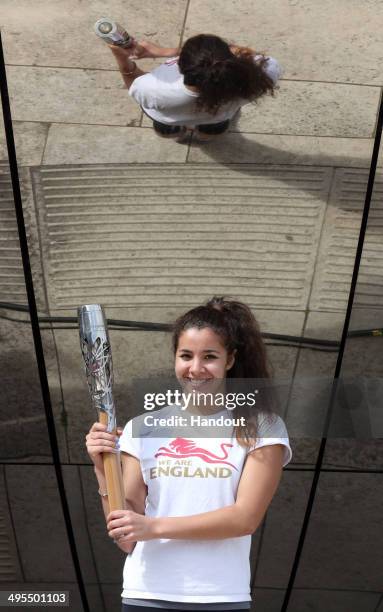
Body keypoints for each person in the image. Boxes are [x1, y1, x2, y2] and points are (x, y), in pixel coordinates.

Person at [86, 296, 292, 612]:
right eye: (186, 355)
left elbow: (244, 519)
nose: (195, 368)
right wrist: (103, 467)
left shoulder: (261, 427)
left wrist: (153, 527)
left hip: (220, 597)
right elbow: (127, 536)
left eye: (209, 356)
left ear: (230, 360)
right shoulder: (142, 428)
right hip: (145, 594)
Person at [108, 34, 281, 142]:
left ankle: (175, 133)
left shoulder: (154, 89)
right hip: (218, 118)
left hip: (168, 118)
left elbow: (131, 76)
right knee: (214, 128)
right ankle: (206, 135)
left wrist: (122, 57)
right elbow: (244, 54)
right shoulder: (265, 73)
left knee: (165, 128)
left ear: (181, 66)